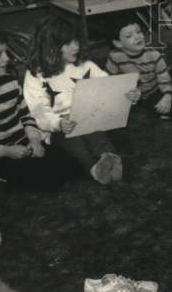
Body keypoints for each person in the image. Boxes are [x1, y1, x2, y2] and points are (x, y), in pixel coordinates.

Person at [0, 20, 81, 194]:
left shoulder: (10, 81)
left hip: (24, 142)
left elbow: (25, 115)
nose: (7, 58)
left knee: (73, 165)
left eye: (6, 52)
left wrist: (35, 140)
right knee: (49, 182)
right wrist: (5, 151)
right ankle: (6, 180)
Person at [23, 16, 136, 185]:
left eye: (76, 40)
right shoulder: (36, 75)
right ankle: (93, 168)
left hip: (88, 118)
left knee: (97, 137)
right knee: (75, 144)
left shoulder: (86, 65)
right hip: (58, 127)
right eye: (68, 43)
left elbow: (108, 86)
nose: (75, 46)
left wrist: (127, 95)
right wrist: (58, 123)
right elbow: (38, 110)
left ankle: (110, 159)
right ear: (50, 47)